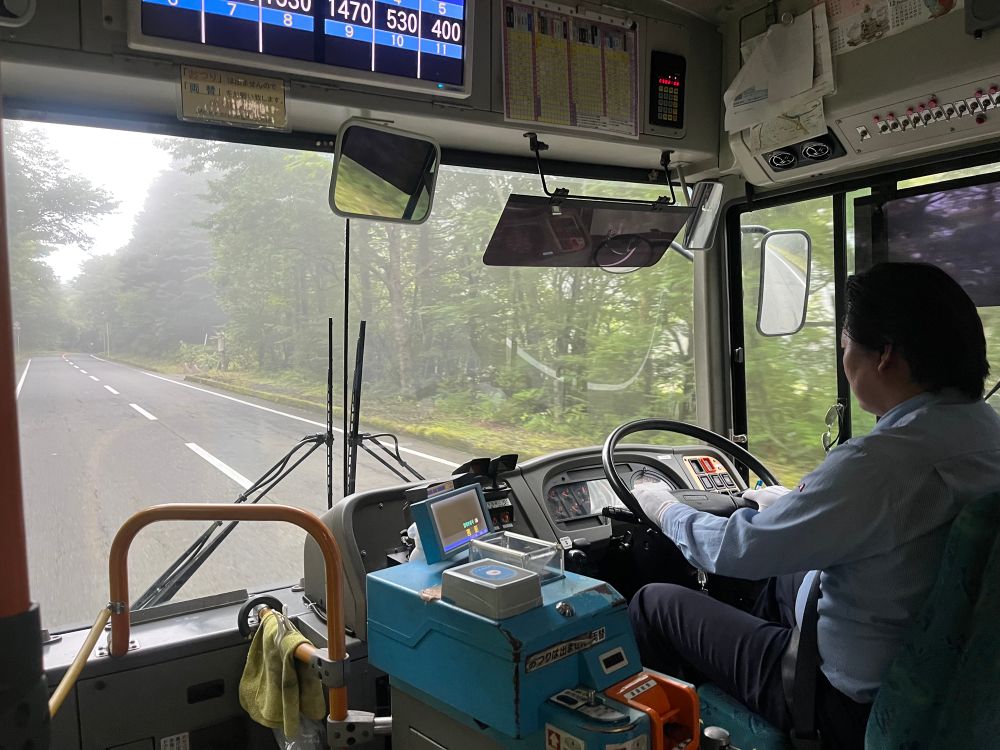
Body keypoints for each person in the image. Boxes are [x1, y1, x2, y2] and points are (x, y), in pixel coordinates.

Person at [628, 262, 1000, 749]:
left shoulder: (884, 461)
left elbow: (735, 550)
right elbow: (885, 521)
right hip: (952, 679)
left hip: (842, 703)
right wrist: (784, 506)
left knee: (655, 603)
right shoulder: (984, 433)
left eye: (846, 346)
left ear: (885, 354)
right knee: (777, 577)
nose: (844, 359)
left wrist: (660, 504)